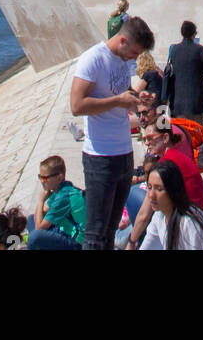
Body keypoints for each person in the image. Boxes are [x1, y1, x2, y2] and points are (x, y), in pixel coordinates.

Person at [69, 14, 155, 249]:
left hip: (124, 155)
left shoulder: (121, 59)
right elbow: (76, 106)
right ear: (123, 40)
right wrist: (118, 100)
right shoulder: (92, 59)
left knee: (111, 229)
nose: (135, 59)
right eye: (135, 53)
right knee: (96, 234)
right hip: (100, 158)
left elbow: (121, 91)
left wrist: (138, 99)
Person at [126, 120, 203, 249]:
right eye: (144, 139)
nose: (147, 143)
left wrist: (131, 242)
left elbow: (144, 214)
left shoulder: (167, 164)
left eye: (150, 138)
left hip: (190, 225)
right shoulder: (175, 155)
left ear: (165, 138)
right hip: (200, 218)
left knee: (135, 196)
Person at [138, 159, 203, 250]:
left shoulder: (189, 223)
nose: (151, 195)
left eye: (159, 189)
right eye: (149, 187)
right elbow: (148, 245)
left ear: (173, 190)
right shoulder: (159, 216)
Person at [165, 21, 203, 126]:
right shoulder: (199, 50)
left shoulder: (174, 49)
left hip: (177, 99)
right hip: (195, 100)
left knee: (181, 132)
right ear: (194, 34)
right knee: (195, 130)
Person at [27, 156, 86, 250]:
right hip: (63, 231)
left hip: (76, 242)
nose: (42, 181)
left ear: (59, 177)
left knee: (35, 236)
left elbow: (39, 228)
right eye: (40, 177)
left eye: (45, 178)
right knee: (30, 219)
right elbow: (41, 213)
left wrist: (41, 200)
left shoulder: (64, 196)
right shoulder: (59, 189)